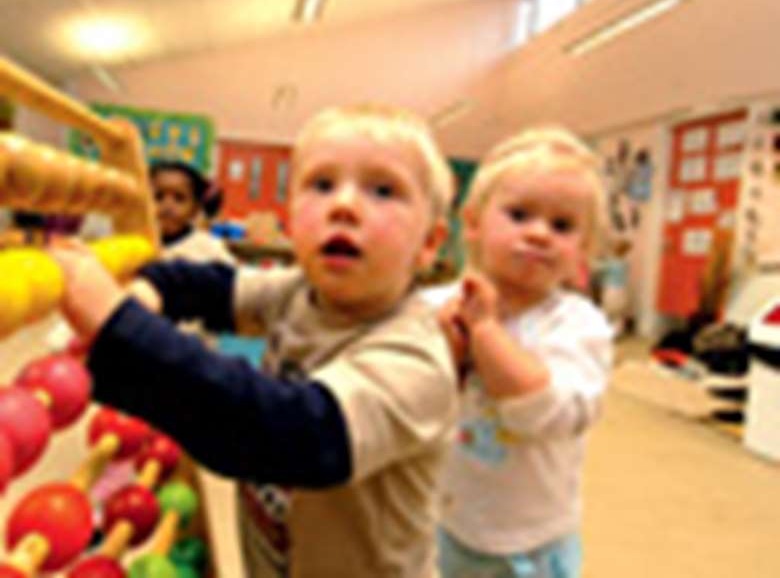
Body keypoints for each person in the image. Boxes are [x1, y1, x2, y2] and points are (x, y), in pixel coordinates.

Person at [51, 103, 459, 578]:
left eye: (383, 191)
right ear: (290, 218)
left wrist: (120, 326)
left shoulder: (416, 359)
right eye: (321, 184)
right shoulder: (300, 292)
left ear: (429, 244)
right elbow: (207, 285)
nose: (343, 205)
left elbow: (286, 434)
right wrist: (149, 291)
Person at [430, 126, 614, 578]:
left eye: (562, 226)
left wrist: (486, 331)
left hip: (528, 545)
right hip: (441, 520)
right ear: (472, 224)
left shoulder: (577, 326)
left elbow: (543, 413)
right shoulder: (435, 306)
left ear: (583, 250)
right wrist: (447, 344)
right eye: (519, 214)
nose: (538, 234)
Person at [149, 160, 235, 264]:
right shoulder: (132, 241)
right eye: (158, 197)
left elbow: (228, 272)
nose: (168, 205)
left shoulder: (209, 248)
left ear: (195, 209)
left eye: (179, 198)